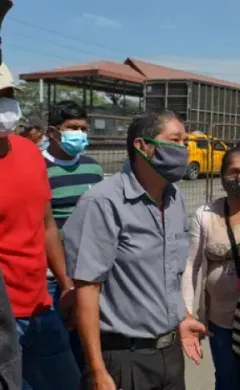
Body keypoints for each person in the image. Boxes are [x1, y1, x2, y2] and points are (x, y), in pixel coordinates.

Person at [63, 111, 207, 390]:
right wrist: (96, 370)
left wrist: (182, 318)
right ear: (142, 146)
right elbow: (87, 290)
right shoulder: (103, 203)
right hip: (123, 360)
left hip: (170, 354)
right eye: (175, 140)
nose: (184, 149)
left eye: (185, 141)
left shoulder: (175, 198)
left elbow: (167, 274)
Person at [0, 62, 80, 389]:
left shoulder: (29, 153)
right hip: (4, 320)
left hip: (40, 309)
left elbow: (46, 225)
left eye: (9, 95)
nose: (7, 104)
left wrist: (65, 283)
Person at [182, 146, 240, 390]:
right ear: (221, 176)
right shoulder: (205, 214)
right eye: (233, 172)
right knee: (227, 379)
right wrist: (188, 313)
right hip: (220, 319)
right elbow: (192, 265)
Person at [43, 100, 103, 370]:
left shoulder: (93, 168)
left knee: (87, 351)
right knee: (55, 354)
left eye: (83, 128)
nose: (79, 134)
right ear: (53, 132)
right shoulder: (38, 168)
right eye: (72, 128)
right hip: (51, 280)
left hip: (86, 275)